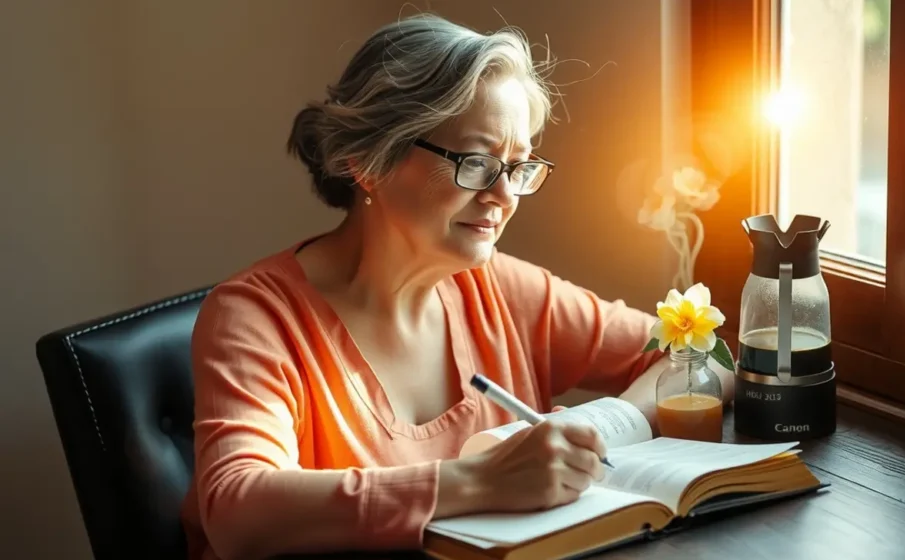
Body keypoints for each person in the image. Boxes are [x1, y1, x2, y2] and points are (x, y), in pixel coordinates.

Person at [180, 13, 733, 560]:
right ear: (367, 162)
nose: (505, 196)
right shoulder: (255, 317)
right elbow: (237, 511)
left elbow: (700, 353)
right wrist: (482, 481)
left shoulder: (500, 288)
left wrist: (597, 428)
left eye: (518, 167)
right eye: (476, 162)